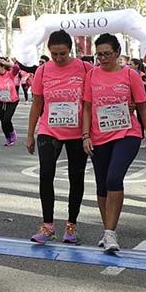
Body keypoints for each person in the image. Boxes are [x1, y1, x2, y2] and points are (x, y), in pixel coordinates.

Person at [82, 33, 146, 253]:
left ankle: (110, 233)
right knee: (102, 183)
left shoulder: (130, 74)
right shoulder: (92, 75)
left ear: (117, 53)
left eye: (107, 54)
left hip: (127, 133)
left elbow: (142, 107)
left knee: (114, 178)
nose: (103, 58)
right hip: (98, 135)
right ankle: (107, 229)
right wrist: (85, 135)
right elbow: (86, 106)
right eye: (99, 54)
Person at [27, 31, 92, 245]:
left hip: (77, 132)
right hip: (49, 129)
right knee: (46, 173)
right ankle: (47, 226)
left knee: (76, 176)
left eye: (62, 53)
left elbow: (96, 98)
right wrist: (30, 134)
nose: (58, 58)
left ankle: (71, 225)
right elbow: (37, 103)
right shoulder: (43, 71)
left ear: (70, 50)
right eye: (54, 54)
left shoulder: (84, 69)